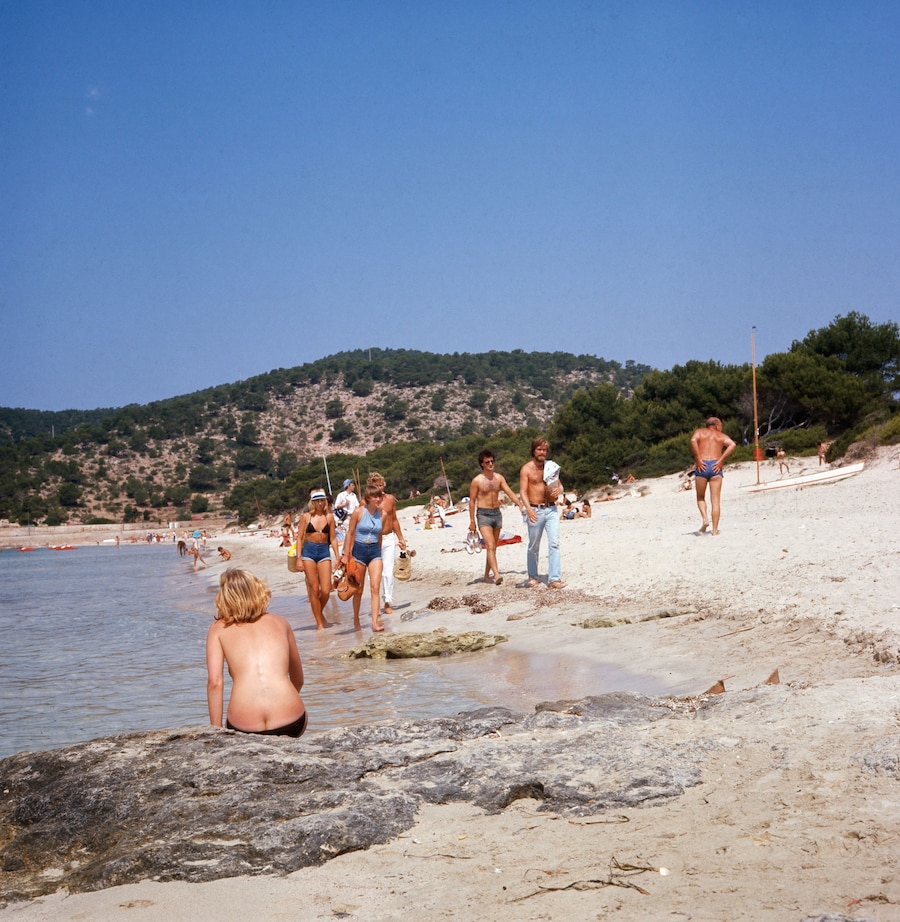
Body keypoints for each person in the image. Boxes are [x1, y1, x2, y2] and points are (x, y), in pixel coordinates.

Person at [206, 568, 307, 737]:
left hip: (244, 725)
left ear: (224, 597)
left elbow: (215, 683)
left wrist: (216, 735)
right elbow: (298, 679)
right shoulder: (280, 622)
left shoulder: (218, 629)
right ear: (257, 591)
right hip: (292, 721)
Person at [468, 449, 524, 585]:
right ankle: (497, 575)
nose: (490, 464)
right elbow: (472, 501)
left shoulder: (499, 478)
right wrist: (472, 521)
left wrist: (519, 504)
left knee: (493, 547)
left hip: (497, 514)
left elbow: (509, 491)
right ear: (482, 464)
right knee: (490, 545)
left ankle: (487, 575)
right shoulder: (477, 481)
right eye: (487, 462)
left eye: (492, 461)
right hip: (483, 515)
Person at [519, 436, 565, 589]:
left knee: (554, 543)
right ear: (533, 450)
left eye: (544, 449)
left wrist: (560, 491)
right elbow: (523, 492)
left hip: (551, 508)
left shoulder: (551, 467)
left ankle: (554, 579)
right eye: (539, 449)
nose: (542, 452)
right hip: (535, 509)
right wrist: (529, 509)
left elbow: (560, 486)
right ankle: (533, 576)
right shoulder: (526, 469)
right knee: (534, 545)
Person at [341, 483, 385, 632]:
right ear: (369, 497)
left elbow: (380, 535)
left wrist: (378, 552)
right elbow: (350, 533)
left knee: (375, 587)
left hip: (374, 551)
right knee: (358, 590)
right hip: (359, 550)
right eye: (375, 496)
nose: (378, 499)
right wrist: (346, 555)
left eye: (380, 496)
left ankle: (374, 622)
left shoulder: (382, 514)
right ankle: (356, 619)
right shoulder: (358, 512)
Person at [298, 488, 341, 630]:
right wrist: (299, 558)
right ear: (313, 502)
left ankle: (319, 613)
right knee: (314, 589)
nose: (320, 503)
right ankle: (319, 623)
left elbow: (333, 538)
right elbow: (299, 538)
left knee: (327, 590)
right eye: (317, 501)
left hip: (323, 551)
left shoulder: (329, 517)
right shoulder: (306, 517)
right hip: (308, 552)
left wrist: (338, 556)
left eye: (322, 500)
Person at [366, 472, 406, 615]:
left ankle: (388, 602)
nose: (379, 487)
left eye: (381, 484)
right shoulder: (366, 503)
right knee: (375, 574)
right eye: (376, 485)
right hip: (373, 541)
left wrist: (401, 538)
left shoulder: (390, 499)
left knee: (388, 572)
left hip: (389, 538)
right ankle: (375, 604)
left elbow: (394, 519)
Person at [690, 416, 737, 535]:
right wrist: (721, 460)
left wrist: (698, 459)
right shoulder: (721, 436)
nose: (721, 427)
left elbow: (693, 440)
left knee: (700, 497)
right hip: (715, 465)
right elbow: (732, 445)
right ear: (716, 425)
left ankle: (705, 519)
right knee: (715, 500)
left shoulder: (699, 432)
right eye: (720, 424)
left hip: (702, 465)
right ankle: (715, 530)